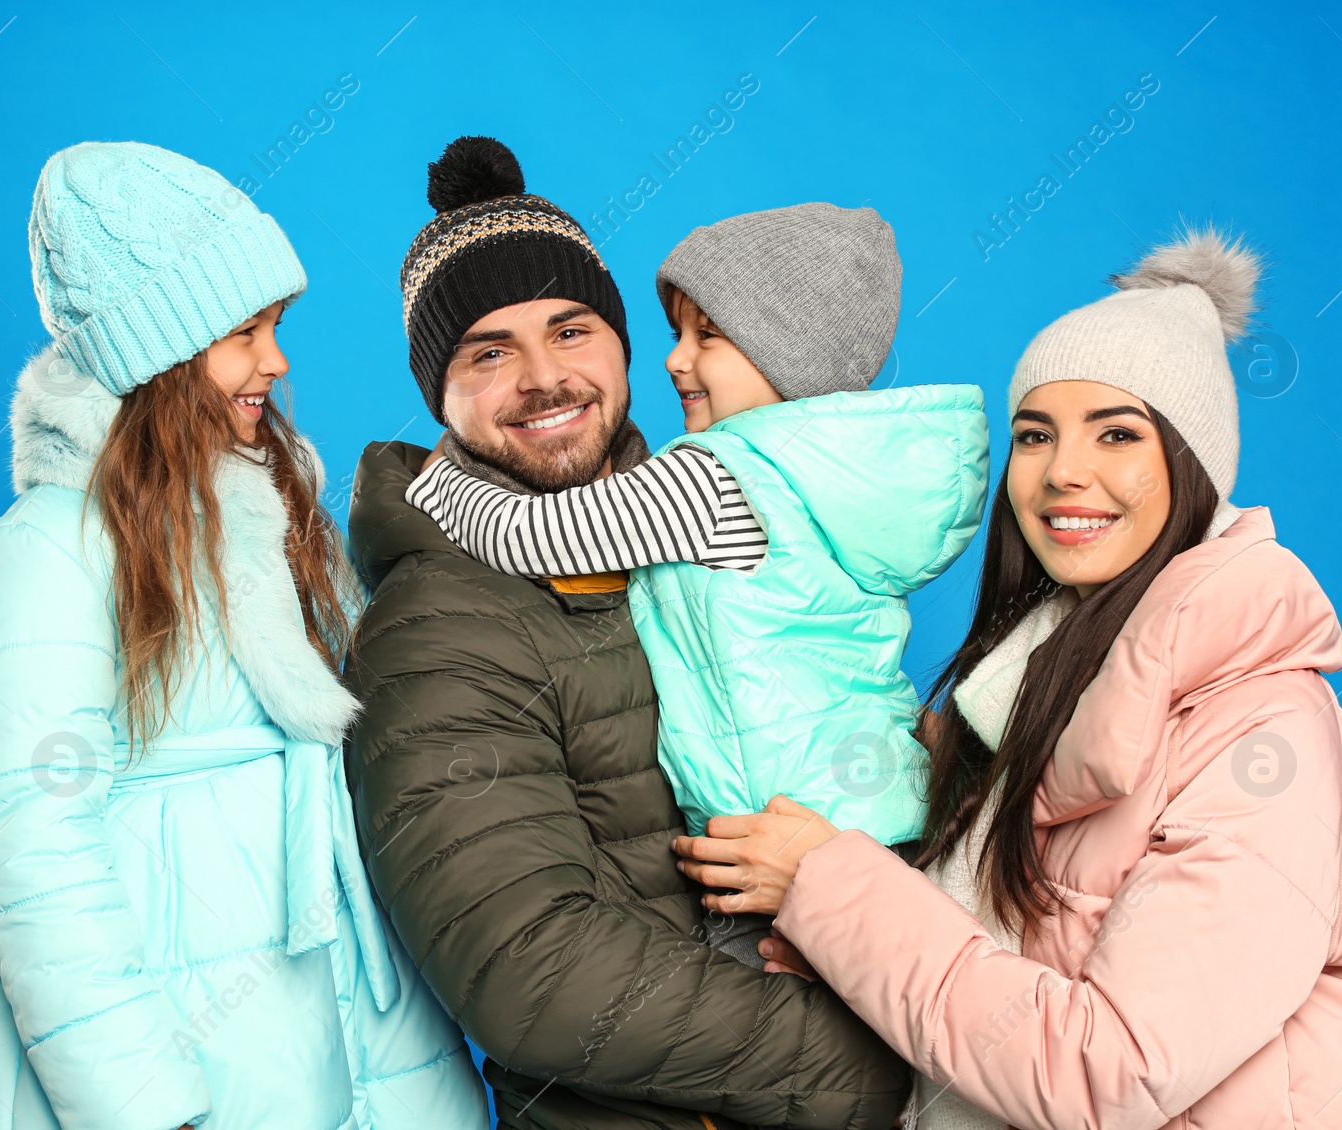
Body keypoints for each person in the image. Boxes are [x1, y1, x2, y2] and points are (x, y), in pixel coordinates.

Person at [673, 228, 1342, 1129]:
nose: (1063, 473)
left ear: (1192, 467)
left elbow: (1109, 1075)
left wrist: (832, 887)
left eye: (1117, 434)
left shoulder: (1262, 738)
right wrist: (849, 946)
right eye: (1035, 435)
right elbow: (1004, 957)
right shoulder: (1028, 682)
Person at [0, 141, 488, 1130]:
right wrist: (140, 1101)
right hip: (157, 1053)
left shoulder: (268, 511)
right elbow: (29, 844)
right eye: (245, 330)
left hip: (307, 1026)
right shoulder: (52, 552)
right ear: (157, 353)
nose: (278, 359)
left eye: (276, 324)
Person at [342, 135, 910, 1129]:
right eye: (488, 351)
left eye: (570, 330)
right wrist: (890, 1060)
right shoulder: (434, 624)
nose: (544, 378)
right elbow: (534, 971)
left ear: (618, 341)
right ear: (439, 390)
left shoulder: (702, 535)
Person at [405, 201, 989, 967]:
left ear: (791, 356)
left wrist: (436, 482)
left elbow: (531, 535)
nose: (675, 360)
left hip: (776, 842)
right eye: (677, 334)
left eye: (707, 338)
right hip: (873, 821)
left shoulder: (715, 478)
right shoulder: (839, 474)